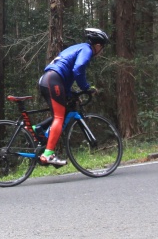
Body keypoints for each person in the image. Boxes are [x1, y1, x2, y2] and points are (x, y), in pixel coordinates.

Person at [37, 28, 109, 167]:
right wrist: (86, 88)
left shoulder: (78, 47)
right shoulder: (87, 50)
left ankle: (38, 129)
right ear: (98, 46)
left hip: (51, 79)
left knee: (63, 111)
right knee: (59, 117)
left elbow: (67, 73)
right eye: (103, 48)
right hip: (53, 80)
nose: (102, 52)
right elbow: (78, 68)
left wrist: (72, 94)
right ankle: (48, 154)